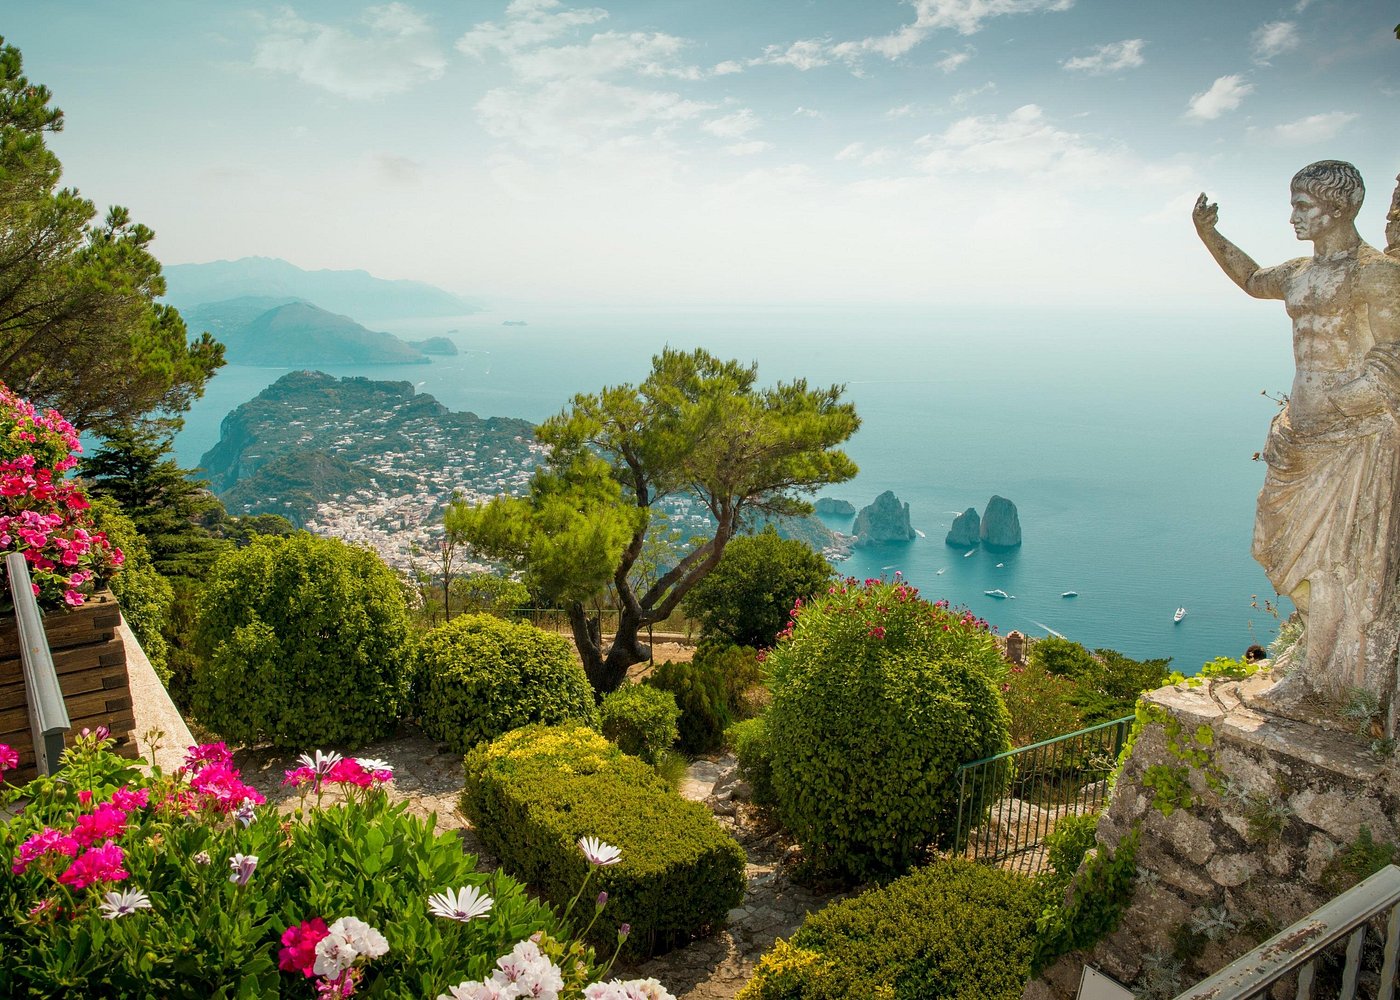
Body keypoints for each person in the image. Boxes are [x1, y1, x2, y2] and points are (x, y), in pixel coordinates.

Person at [1192, 161, 1400, 713]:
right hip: (1299, 435)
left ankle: (1327, 675)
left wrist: (1338, 399)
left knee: (1335, 562)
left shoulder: (1375, 275)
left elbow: (1392, 360)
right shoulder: (1301, 274)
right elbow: (1253, 279)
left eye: (1302, 206)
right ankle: (1319, 658)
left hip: (1349, 439)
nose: (1293, 218)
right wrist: (1210, 235)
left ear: (1339, 208)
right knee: (1273, 546)